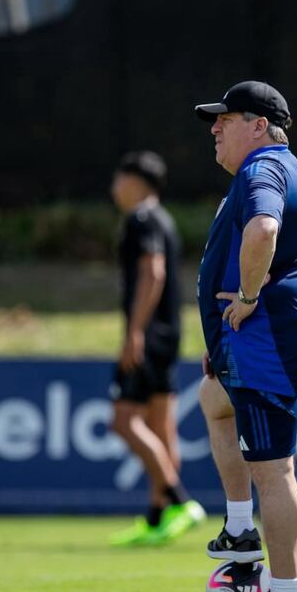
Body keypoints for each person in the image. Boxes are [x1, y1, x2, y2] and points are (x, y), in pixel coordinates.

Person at [194, 81, 297, 592]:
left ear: (258, 125)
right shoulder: (272, 167)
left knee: (274, 469)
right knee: (213, 399)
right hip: (258, 337)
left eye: (227, 118)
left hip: (268, 334)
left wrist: (248, 299)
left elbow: (264, 229)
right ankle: (239, 525)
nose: (215, 128)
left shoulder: (264, 167)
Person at [106, 151, 205, 547]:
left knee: (123, 421)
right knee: (162, 426)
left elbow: (153, 271)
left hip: (149, 334)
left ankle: (179, 499)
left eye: (119, 178)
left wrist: (134, 331)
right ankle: (156, 517)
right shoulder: (164, 218)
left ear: (134, 181)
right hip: (168, 334)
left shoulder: (142, 218)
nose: (114, 188)